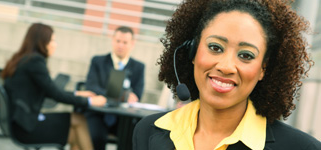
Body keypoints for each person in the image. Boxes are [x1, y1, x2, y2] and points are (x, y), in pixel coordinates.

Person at [133, 0, 321, 150]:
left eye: (246, 55)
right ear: (192, 51)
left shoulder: (303, 147)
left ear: (263, 69)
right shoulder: (147, 131)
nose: (226, 66)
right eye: (215, 47)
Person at [1, 23, 102, 150]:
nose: (55, 44)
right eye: (52, 40)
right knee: (79, 120)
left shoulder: (22, 58)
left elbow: (49, 90)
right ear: (42, 42)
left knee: (77, 133)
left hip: (20, 123)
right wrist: (90, 101)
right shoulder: (35, 62)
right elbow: (56, 95)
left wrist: (78, 94)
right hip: (26, 128)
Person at [77, 26, 145, 150]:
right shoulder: (98, 61)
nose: (121, 45)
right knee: (96, 137)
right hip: (98, 114)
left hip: (123, 118)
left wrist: (130, 97)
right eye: (118, 41)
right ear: (112, 40)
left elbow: (137, 94)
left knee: (132, 138)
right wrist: (121, 95)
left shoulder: (138, 67)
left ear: (132, 44)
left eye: (125, 42)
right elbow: (91, 86)